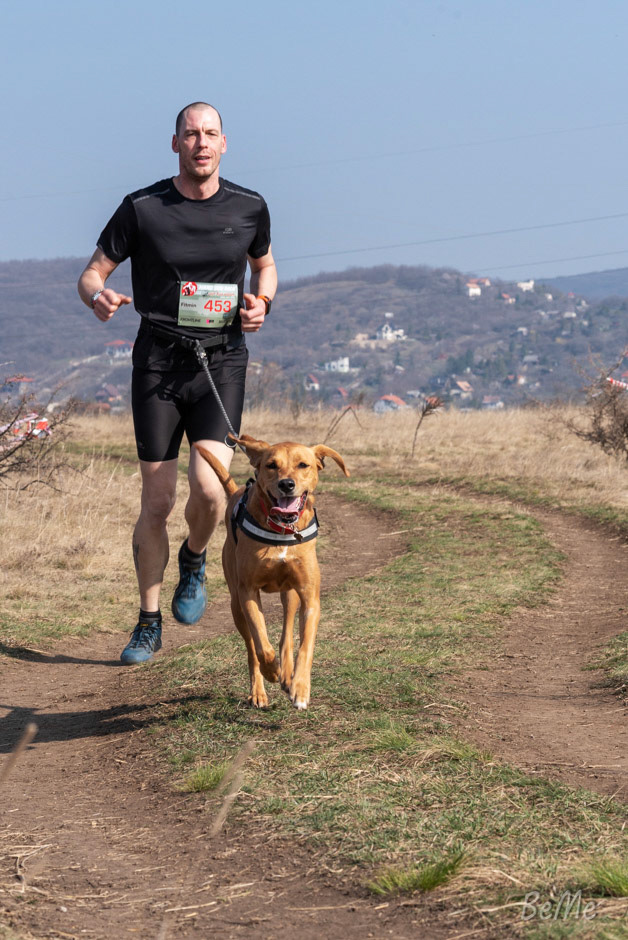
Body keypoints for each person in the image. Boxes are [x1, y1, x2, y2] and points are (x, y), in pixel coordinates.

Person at [78, 102, 277, 664]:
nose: (201, 143)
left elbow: (264, 266)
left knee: (211, 490)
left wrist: (262, 302)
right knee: (159, 499)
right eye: (191, 134)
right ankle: (148, 621)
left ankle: (194, 557)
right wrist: (98, 297)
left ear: (224, 144)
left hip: (221, 362)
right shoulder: (142, 208)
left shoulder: (250, 206)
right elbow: (91, 273)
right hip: (158, 364)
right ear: (175, 144)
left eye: (210, 134)